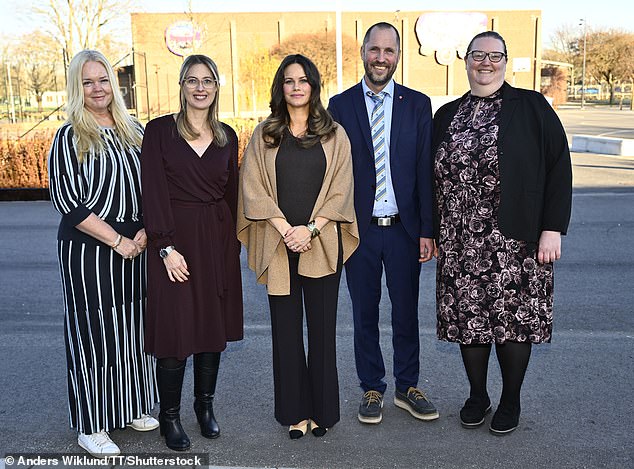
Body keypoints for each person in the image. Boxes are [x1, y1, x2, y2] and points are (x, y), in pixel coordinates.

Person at [432, 31, 572, 435]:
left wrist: (552, 229)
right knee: (468, 321)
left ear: (506, 61)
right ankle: (478, 395)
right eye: (478, 55)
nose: (486, 62)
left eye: (495, 55)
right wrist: (431, 231)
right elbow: (431, 178)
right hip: (460, 241)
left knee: (513, 324)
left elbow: (558, 168)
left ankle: (510, 400)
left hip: (518, 241)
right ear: (466, 61)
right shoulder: (448, 114)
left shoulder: (531, 107)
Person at [237, 54, 359, 439]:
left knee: (323, 332)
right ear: (281, 87)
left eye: (303, 80)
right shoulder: (264, 134)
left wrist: (310, 229)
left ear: (314, 87)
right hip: (278, 244)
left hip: (320, 243)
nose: (295, 87)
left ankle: (322, 411)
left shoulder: (334, 134)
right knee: (285, 333)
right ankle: (294, 411)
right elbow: (252, 188)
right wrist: (286, 229)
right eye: (288, 81)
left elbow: (342, 189)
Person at [48, 49, 158, 457]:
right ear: (78, 87)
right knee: (92, 334)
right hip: (90, 250)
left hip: (138, 246)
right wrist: (117, 240)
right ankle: (91, 424)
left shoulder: (136, 130)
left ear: (115, 84)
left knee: (130, 328)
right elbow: (69, 202)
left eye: (103, 79)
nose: (98, 88)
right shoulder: (69, 135)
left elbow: (156, 187)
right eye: (88, 81)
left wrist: (146, 231)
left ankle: (129, 406)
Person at [328, 22, 438, 424]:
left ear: (397, 56)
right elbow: (333, 172)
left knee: (407, 312)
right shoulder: (340, 105)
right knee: (364, 314)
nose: (381, 58)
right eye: (374, 49)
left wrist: (428, 229)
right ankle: (372, 387)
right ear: (363, 52)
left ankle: (408, 386)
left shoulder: (417, 104)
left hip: (406, 231)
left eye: (389, 51)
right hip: (360, 231)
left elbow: (425, 170)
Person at [140, 54, 244, 451]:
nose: (200, 88)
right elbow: (153, 191)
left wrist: (232, 245)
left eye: (208, 81)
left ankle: (205, 408)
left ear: (217, 88)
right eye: (192, 80)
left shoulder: (226, 135)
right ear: (181, 87)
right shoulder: (159, 132)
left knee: (209, 329)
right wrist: (165, 247)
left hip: (216, 242)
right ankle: (169, 416)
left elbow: (232, 194)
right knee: (175, 329)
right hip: (174, 244)